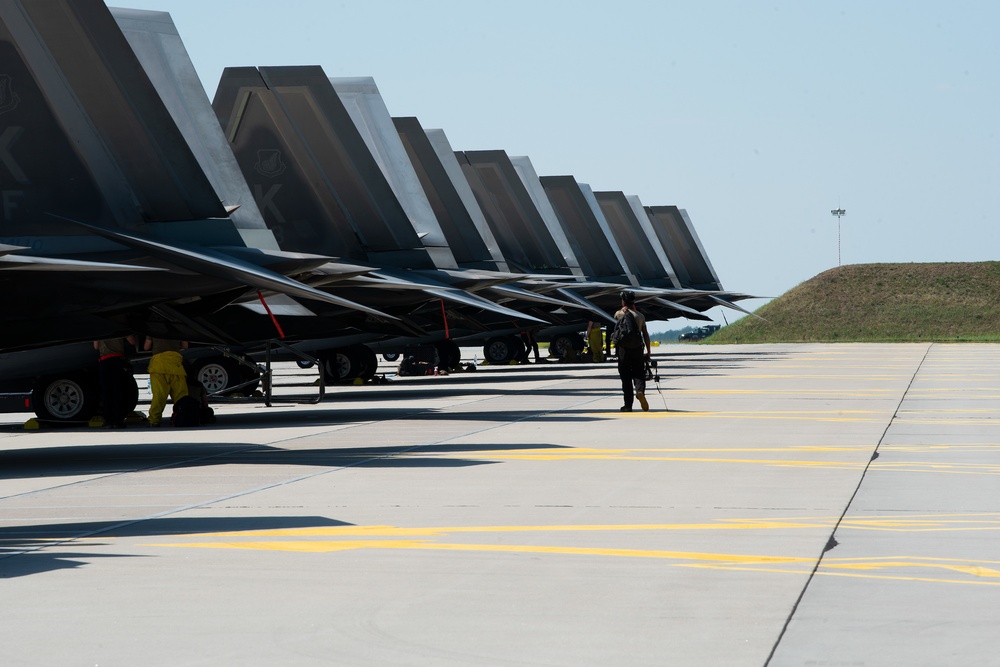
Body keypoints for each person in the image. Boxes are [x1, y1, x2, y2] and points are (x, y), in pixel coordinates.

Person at [613, 290, 652, 412]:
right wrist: (649, 351)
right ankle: (640, 391)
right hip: (637, 349)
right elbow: (645, 334)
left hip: (623, 350)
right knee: (639, 373)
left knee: (625, 377)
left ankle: (628, 405)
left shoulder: (619, 314)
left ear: (623, 301)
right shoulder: (640, 316)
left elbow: (617, 331)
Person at [143, 336, 189, 426]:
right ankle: (184, 416)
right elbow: (185, 346)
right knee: (181, 395)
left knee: (159, 395)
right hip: (175, 365)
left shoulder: (153, 328)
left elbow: (146, 347)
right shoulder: (177, 327)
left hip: (158, 366)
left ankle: (154, 420)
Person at [94, 335, 136, 428]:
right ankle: (118, 421)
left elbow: (96, 346)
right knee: (118, 391)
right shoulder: (119, 326)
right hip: (118, 360)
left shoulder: (98, 329)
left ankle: (108, 421)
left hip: (104, 361)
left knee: (106, 392)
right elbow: (132, 341)